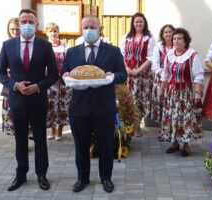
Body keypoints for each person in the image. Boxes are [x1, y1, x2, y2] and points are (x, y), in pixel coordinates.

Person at [62, 15, 127, 193]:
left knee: (106, 145)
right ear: (81, 29)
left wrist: (111, 77)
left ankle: (106, 178)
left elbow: (123, 75)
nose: (89, 30)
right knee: (81, 146)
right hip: (79, 108)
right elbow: (64, 73)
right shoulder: (72, 52)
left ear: (100, 29)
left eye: (92, 27)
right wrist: (66, 77)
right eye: (85, 27)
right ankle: (82, 178)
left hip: (103, 108)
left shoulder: (113, 51)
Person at [0, 9, 58, 191]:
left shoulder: (45, 46)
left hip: (38, 99)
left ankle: (41, 174)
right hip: (17, 99)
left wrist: (38, 86)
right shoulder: (7, 45)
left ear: (37, 25)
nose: (27, 25)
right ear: (19, 24)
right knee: (20, 139)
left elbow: (54, 74)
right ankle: (21, 174)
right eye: (24, 22)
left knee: (40, 138)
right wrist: (15, 85)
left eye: (31, 22)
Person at [160, 28, 204, 157]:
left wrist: (197, 93)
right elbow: (165, 74)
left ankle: (186, 145)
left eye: (179, 38)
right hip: (171, 93)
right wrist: (161, 89)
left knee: (185, 118)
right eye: (174, 38)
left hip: (185, 93)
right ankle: (174, 143)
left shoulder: (192, 55)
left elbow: (199, 75)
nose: (176, 41)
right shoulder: (169, 54)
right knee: (172, 117)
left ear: (185, 41)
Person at [120, 12, 155, 137]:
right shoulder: (126, 37)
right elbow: (122, 54)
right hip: (129, 74)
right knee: (130, 99)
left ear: (144, 23)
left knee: (140, 100)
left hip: (143, 74)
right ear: (133, 24)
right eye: (136, 22)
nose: (139, 24)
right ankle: (130, 125)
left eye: (141, 21)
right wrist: (127, 68)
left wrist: (138, 70)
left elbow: (151, 57)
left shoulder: (149, 38)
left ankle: (138, 126)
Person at [45, 22, 71, 141]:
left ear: (58, 32)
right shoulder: (44, 46)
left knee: (62, 106)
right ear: (46, 32)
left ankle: (60, 131)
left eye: (55, 31)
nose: (53, 33)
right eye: (50, 31)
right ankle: (52, 130)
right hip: (49, 82)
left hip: (63, 82)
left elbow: (69, 63)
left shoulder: (66, 47)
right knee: (50, 106)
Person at [0, 18, 20, 136]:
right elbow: (0, 70)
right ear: (8, 30)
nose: (15, 32)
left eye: (17, 29)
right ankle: (18, 140)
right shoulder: (4, 46)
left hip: (26, 83)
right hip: (10, 84)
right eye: (12, 29)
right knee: (11, 114)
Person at [151, 24, 175, 141]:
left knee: (171, 105)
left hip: (173, 81)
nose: (168, 34)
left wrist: (171, 75)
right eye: (166, 32)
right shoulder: (158, 48)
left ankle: (172, 131)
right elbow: (155, 65)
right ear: (162, 34)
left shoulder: (178, 47)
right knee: (162, 106)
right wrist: (164, 74)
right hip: (160, 80)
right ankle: (163, 131)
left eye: (170, 32)